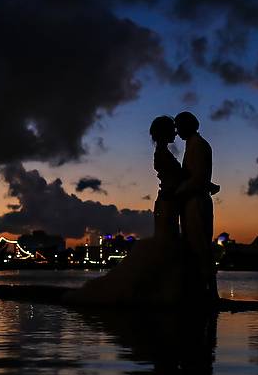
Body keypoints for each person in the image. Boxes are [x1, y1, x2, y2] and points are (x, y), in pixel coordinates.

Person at [64, 116, 186, 306]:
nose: (176, 133)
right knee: (166, 243)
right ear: (165, 132)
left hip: (168, 203)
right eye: (172, 129)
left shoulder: (162, 152)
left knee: (167, 243)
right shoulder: (162, 153)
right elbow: (171, 183)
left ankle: (162, 287)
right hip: (167, 203)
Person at [174, 112, 218, 302]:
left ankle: (209, 292)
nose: (176, 131)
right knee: (194, 246)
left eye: (178, 126)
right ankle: (202, 290)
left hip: (196, 201)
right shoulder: (193, 145)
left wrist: (176, 194)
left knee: (200, 245)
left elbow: (198, 178)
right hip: (193, 200)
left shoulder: (198, 146)